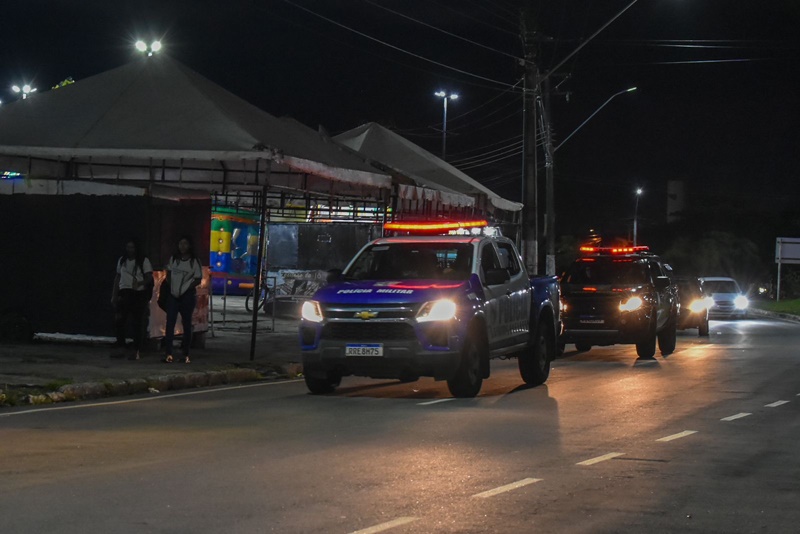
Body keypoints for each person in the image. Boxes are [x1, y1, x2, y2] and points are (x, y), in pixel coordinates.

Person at [111, 239, 153, 360]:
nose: (130, 250)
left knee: (137, 322)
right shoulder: (122, 260)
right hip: (124, 292)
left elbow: (149, 277)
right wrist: (114, 295)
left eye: (132, 247)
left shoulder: (143, 261)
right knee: (119, 320)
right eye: (128, 247)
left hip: (138, 293)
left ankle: (136, 349)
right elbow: (117, 277)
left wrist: (140, 283)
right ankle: (121, 346)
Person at [163, 235, 203, 364]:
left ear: (189, 246)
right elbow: (168, 273)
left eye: (185, 244)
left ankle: (185, 353)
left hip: (187, 296)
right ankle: (168, 353)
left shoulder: (194, 261)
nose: (182, 247)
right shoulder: (174, 259)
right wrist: (172, 287)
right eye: (180, 244)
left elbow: (198, 278)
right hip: (173, 295)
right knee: (170, 323)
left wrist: (186, 288)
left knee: (186, 324)